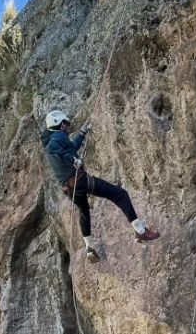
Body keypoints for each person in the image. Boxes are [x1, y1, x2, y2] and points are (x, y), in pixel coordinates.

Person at [40, 110, 159, 261]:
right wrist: (73, 160)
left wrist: (83, 133)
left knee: (84, 211)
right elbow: (56, 150)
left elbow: (70, 148)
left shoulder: (52, 139)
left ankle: (89, 248)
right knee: (120, 194)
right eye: (65, 123)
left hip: (69, 188)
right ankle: (140, 231)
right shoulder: (57, 137)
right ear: (59, 124)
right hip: (80, 180)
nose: (66, 126)